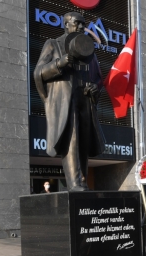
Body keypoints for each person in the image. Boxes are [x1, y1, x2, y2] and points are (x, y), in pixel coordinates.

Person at [33, 12, 105, 191]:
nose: (82, 27)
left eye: (83, 24)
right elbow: (38, 73)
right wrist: (60, 63)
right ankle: (74, 184)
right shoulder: (53, 44)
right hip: (66, 102)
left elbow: (98, 79)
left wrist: (95, 88)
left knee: (83, 143)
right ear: (66, 24)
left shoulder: (89, 51)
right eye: (77, 23)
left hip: (85, 100)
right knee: (71, 139)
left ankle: (82, 182)